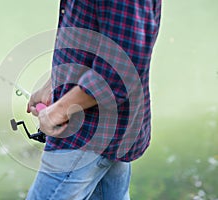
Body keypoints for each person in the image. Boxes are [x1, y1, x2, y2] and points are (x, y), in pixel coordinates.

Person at [26, 0, 161, 199]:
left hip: (85, 134)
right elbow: (86, 32)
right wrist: (53, 83)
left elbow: (121, 69)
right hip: (103, 132)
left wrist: (59, 110)